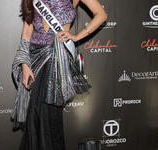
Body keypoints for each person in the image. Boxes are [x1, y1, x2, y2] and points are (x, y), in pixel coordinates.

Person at [11, 0, 107, 149]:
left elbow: (101, 14)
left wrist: (77, 36)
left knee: (49, 114)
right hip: (35, 57)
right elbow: (27, 31)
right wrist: (24, 63)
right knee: (34, 113)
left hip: (58, 57)